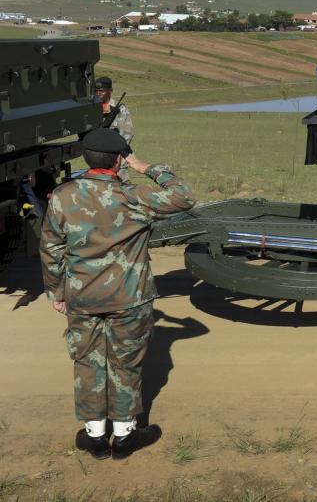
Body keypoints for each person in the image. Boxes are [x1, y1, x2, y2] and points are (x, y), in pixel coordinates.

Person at [40, 128, 195, 460]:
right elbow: (184, 196)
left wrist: (56, 291)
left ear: (87, 159)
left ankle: (95, 435)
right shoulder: (134, 197)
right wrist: (146, 167)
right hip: (130, 298)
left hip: (82, 297)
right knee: (125, 362)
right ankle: (124, 435)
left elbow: (51, 248)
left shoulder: (63, 196)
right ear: (118, 161)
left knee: (87, 359)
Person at [95, 77, 134, 182]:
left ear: (110, 91)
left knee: (122, 188)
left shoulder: (120, 109)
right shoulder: (93, 109)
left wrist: (113, 150)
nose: (98, 93)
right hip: (98, 159)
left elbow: (127, 134)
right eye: (96, 91)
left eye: (102, 91)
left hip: (118, 158)